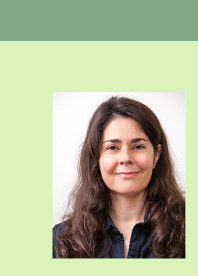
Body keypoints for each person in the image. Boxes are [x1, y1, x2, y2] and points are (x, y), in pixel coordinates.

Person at [53, 96, 185, 258]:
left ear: (156, 155)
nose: (125, 158)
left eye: (138, 146)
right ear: (96, 157)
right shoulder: (61, 241)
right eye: (113, 147)